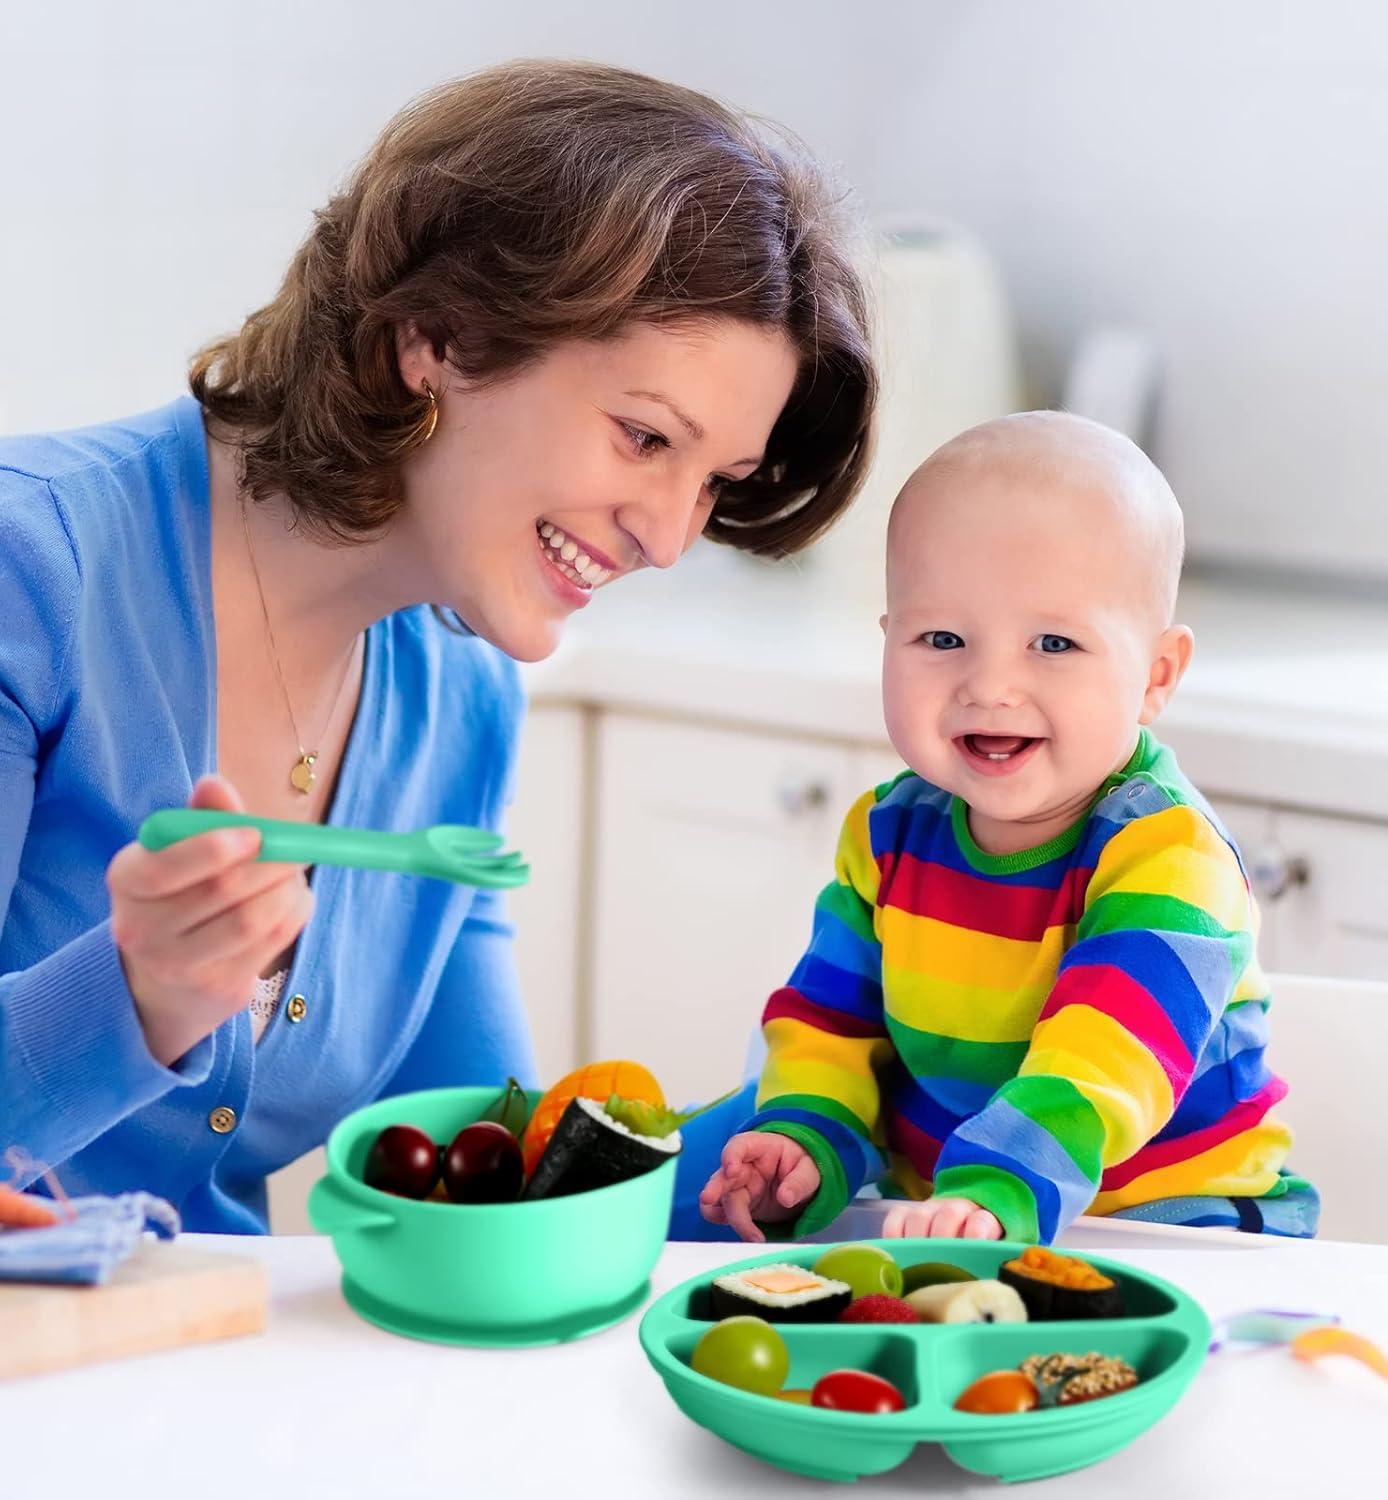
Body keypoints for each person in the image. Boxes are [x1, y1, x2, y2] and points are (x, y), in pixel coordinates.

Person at [0, 60, 876, 1233]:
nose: (670, 537)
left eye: (712, 481)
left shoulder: (461, 691)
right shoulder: (35, 567)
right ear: (439, 339)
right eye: (643, 436)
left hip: (210, 1384)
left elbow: (488, 1179)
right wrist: (133, 995)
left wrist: (841, 1109)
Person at [698, 413, 1319, 1244]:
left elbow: (1098, 1065)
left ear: (1156, 674)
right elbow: (831, 1022)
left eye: (1055, 643)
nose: (989, 686)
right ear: (888, 641)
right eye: (943, 638)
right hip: (944, 1219)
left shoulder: (1168, 857)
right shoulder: (886, 833)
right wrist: (806, 1135)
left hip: (1177, 1228)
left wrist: (997, 1191)